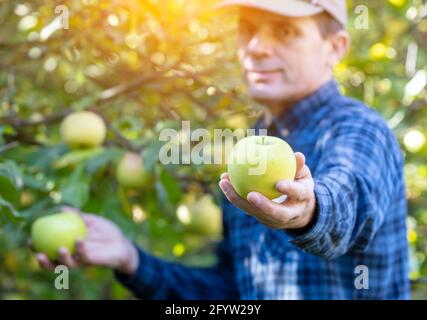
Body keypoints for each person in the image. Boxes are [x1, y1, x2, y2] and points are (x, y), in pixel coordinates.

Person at [32, 0, 410, 299]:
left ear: (335, 46)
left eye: (284, 31)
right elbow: (232, 292)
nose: (257, 48)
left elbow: (348, 195)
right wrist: (131, 260)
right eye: (247, 30)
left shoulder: (359, 129)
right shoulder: (250, 148)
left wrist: (310, 210)